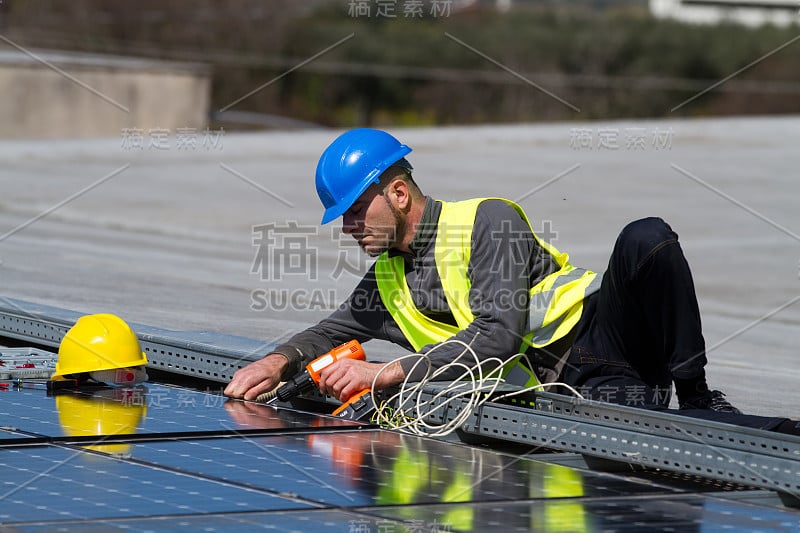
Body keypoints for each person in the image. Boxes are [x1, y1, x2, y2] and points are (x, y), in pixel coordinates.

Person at [225, 128, 799, 436]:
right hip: (573, 386)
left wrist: (384, 372)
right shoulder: (386, 280)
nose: (348, 228)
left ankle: (699, 392)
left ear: (398, 193)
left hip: (608, 334)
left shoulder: (487, 221)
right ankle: (704, 419)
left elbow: (497, 336)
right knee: (644, 436)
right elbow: (330, 329)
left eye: (354, 211)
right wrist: (277, 362)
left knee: (647, 238)